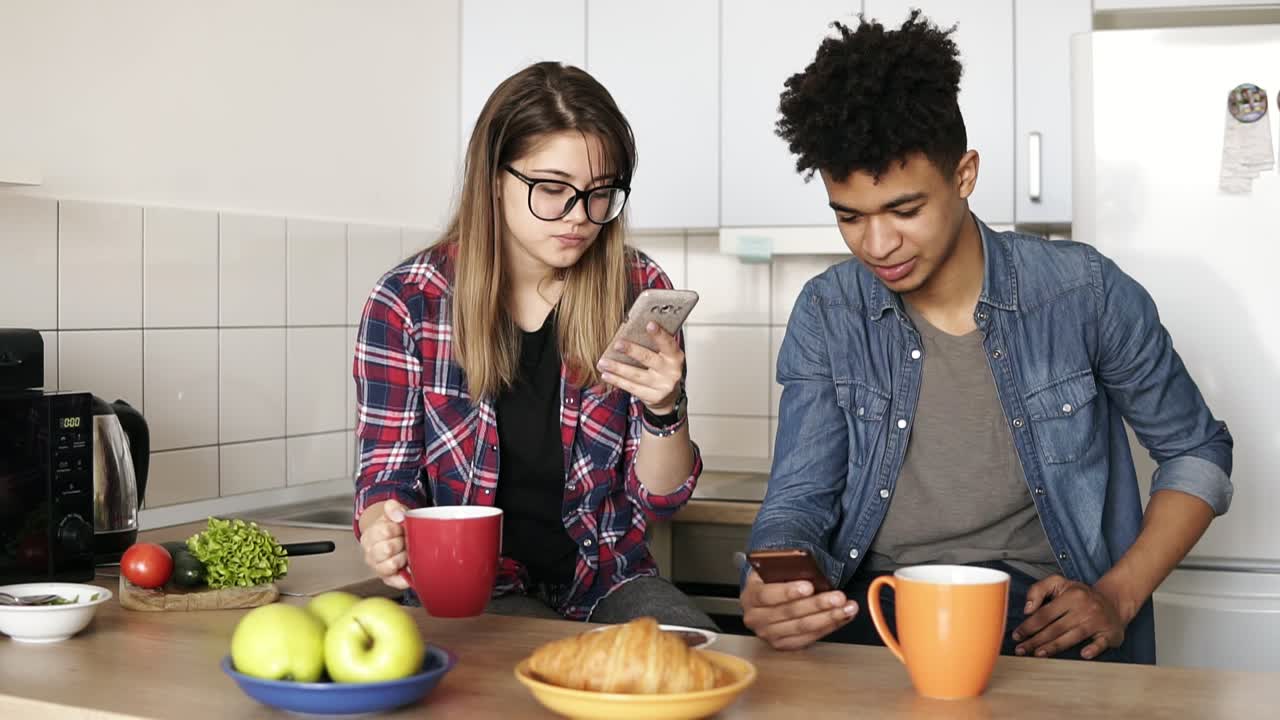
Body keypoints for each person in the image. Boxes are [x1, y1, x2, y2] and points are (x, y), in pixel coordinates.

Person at [741, 11, 1232, 664]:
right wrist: (775, 579)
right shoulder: (828, 311)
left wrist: (1116, 596)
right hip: (875, 616)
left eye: (905, 210)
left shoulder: (1083, 292)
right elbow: (799, 497)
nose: (877, 244)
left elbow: (1197, 451)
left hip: (1043, 623)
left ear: (965, 175)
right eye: (850, 217)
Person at [352, 61, 715, 630]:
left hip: (608, 581)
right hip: (475, 589)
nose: (580, 218)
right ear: (493, 177)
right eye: (551, 189)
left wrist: (664, 408)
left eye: (600, 194)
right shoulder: (408, 301)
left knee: (699, 657)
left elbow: (661, 500)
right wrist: (383, 529)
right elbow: (387, 481)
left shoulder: (638, 288)